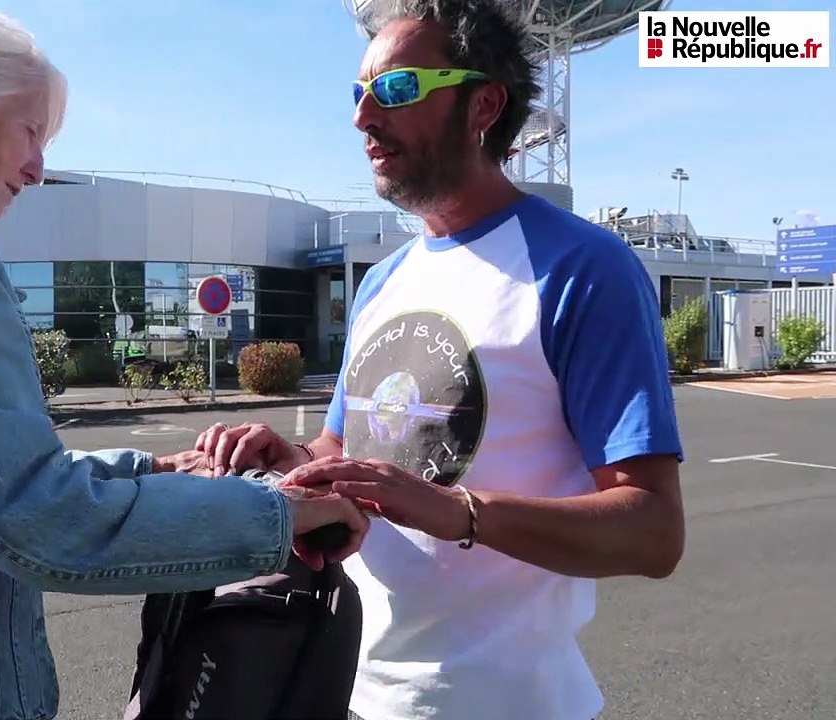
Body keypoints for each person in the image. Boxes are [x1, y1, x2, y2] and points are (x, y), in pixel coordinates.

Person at [0, 1, 368, 718]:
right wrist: (278, 515)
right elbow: (37, 518)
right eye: (30, 132)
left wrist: (160, 469)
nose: (39, 168)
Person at [194, 1, 686, 718]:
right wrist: (287, 457)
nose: (363, 118)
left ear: (484, 103)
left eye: (395, 90)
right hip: (347, 687)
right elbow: (347, 448)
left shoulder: (584, 269)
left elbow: (652, 532)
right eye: (358, 95)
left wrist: (456, 512)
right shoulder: (387, 281)